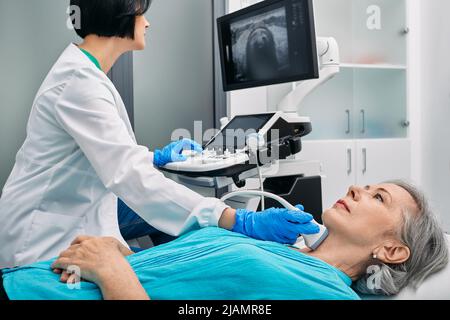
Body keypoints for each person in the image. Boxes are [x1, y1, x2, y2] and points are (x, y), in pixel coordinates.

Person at [0, 0, 319, 269]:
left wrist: (154, 157)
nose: (147, 23)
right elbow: (126, 173)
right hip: (41, 235)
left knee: (184, 224)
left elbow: (106, 154)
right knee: (193, 238)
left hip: (70, 208)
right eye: (142, 13)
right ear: (122, 12)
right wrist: (238, 220)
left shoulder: (84, 74)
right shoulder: (79, 85)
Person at [1, 181, 448, 300]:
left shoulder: (323, 293)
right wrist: (127, 256)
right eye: (365, 185)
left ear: (391, 251)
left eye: (378, 197)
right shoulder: (290, 256)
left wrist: (115, 271)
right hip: (36, 280)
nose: (357, 189)